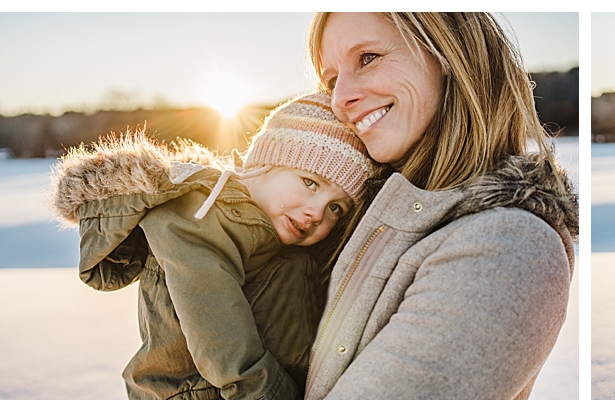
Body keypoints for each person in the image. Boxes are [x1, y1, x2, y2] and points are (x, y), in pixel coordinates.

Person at [302, 12, 578, 399]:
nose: (339, 99)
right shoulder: (350, 216)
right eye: (331, 80)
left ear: (449, 53)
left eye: (368, 58)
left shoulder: (507, 248)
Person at [50, 92, 379, 399]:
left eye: (336, 207)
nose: (317, 211)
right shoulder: (198, 216)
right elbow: (218, 328)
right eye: (310, 183)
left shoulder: (264, 233)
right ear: (264, 162)